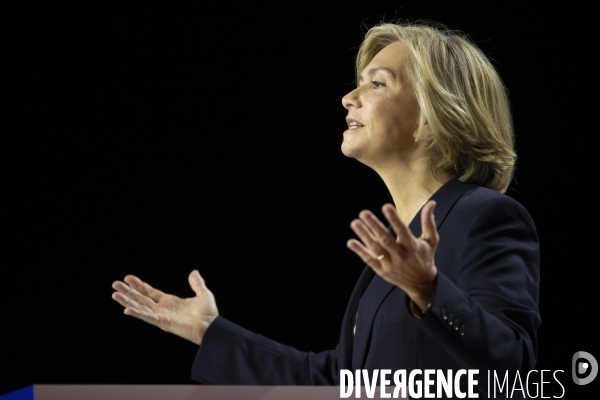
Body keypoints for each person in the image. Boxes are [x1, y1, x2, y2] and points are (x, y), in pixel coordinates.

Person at [111, 21, 540, 396]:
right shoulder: (391, 257)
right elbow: (336, 384)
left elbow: (516, 370)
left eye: (377, 83)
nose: (348, 97)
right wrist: (211, 332)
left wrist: (429, 292)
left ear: (434, 114)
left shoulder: (485, 217)